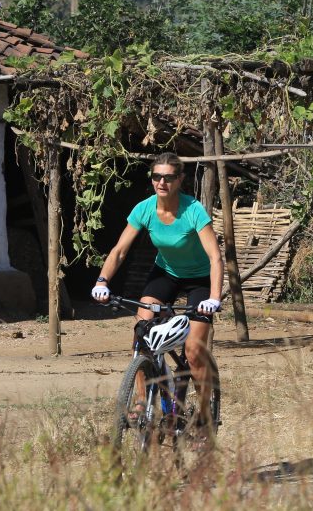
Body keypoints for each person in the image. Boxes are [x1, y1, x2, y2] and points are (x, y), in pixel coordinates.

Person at [91, 152, 223, 424]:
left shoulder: (193, 210)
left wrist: (214, 297)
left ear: (180, 180)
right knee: (141, 333)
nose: (162, 182)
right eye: (156, 176)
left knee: (194, 351)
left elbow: (215, 257)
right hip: (166, 273)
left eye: (169, 177)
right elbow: (119, 251)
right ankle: (141, 402)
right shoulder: (145, 209)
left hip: (199, 278)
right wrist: (102, 281)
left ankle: (206, 416)